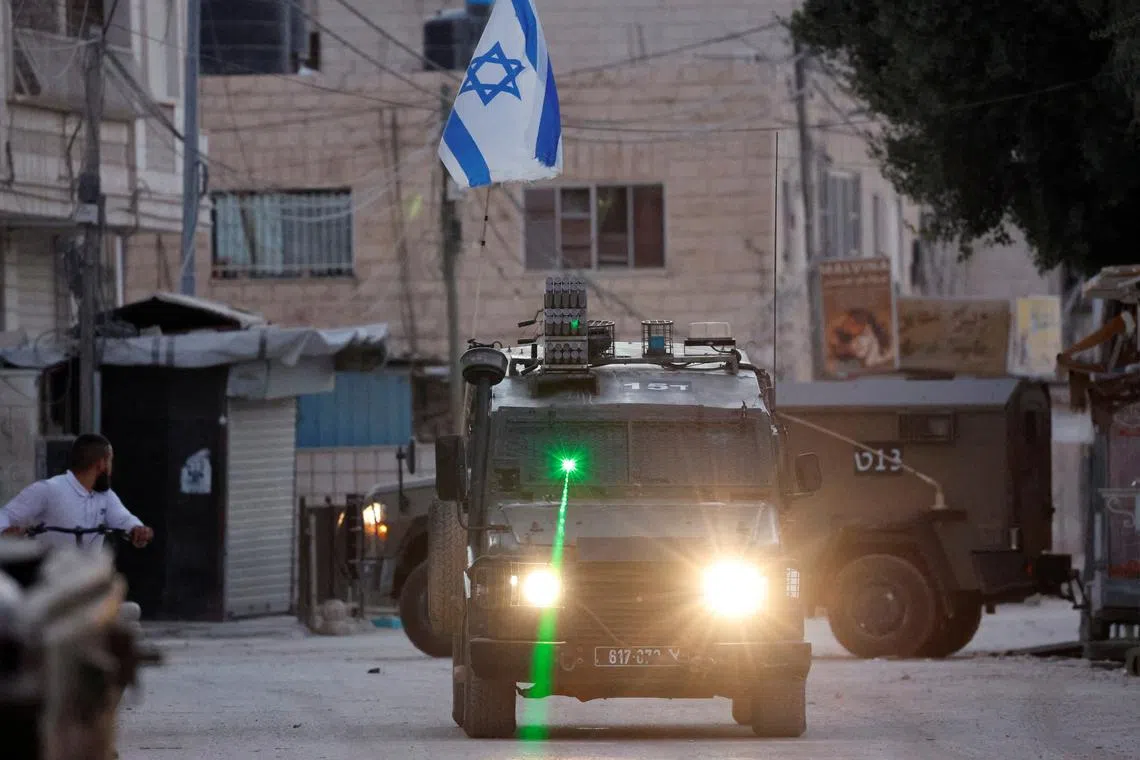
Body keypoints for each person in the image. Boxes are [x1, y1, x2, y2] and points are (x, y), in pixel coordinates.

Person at [0, 433, 153, 550]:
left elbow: (124, 519)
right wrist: (5, 532)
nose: (111, 470)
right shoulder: (49, 490)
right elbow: (6, 515)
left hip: (90, 583)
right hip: (50, 580)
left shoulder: (105, 496)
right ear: (101, 464)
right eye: (110, 461)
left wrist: (138, 529)